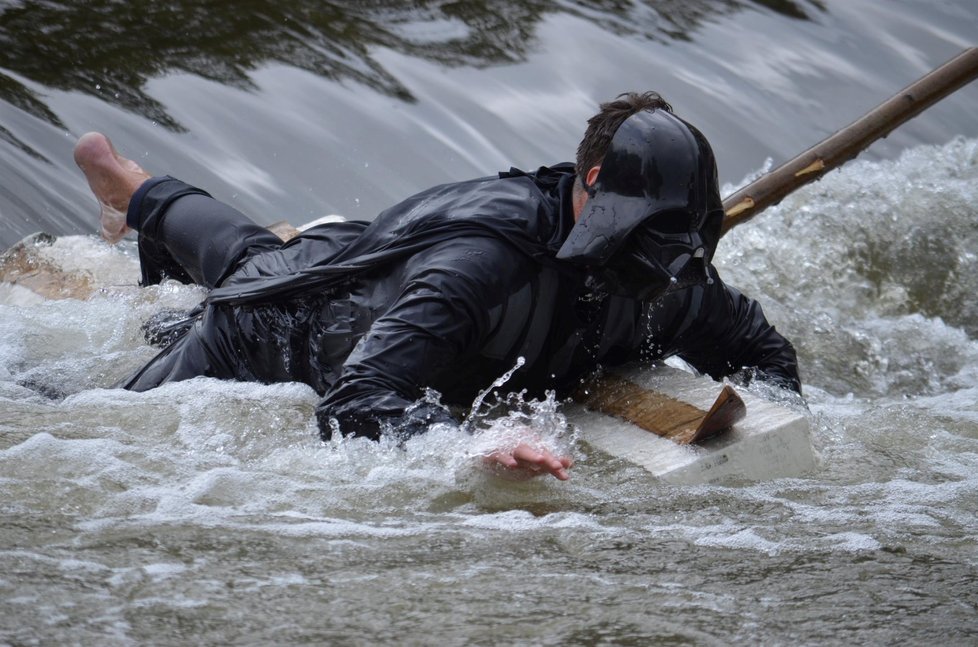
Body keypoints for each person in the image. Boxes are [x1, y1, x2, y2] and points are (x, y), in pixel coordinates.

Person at [74, 91, 800, 481]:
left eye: (671, 247)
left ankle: (133, 190)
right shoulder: (486, 263)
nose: (656, 276)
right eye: (642, 240)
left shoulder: (673, 276)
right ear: (594, 186)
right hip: (272, 334)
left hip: (343, 256)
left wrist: (783, 415)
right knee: (89, 412)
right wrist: (462, 442)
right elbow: (354, 401)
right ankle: (134, 194)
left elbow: (758, 344)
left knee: (254, 253)